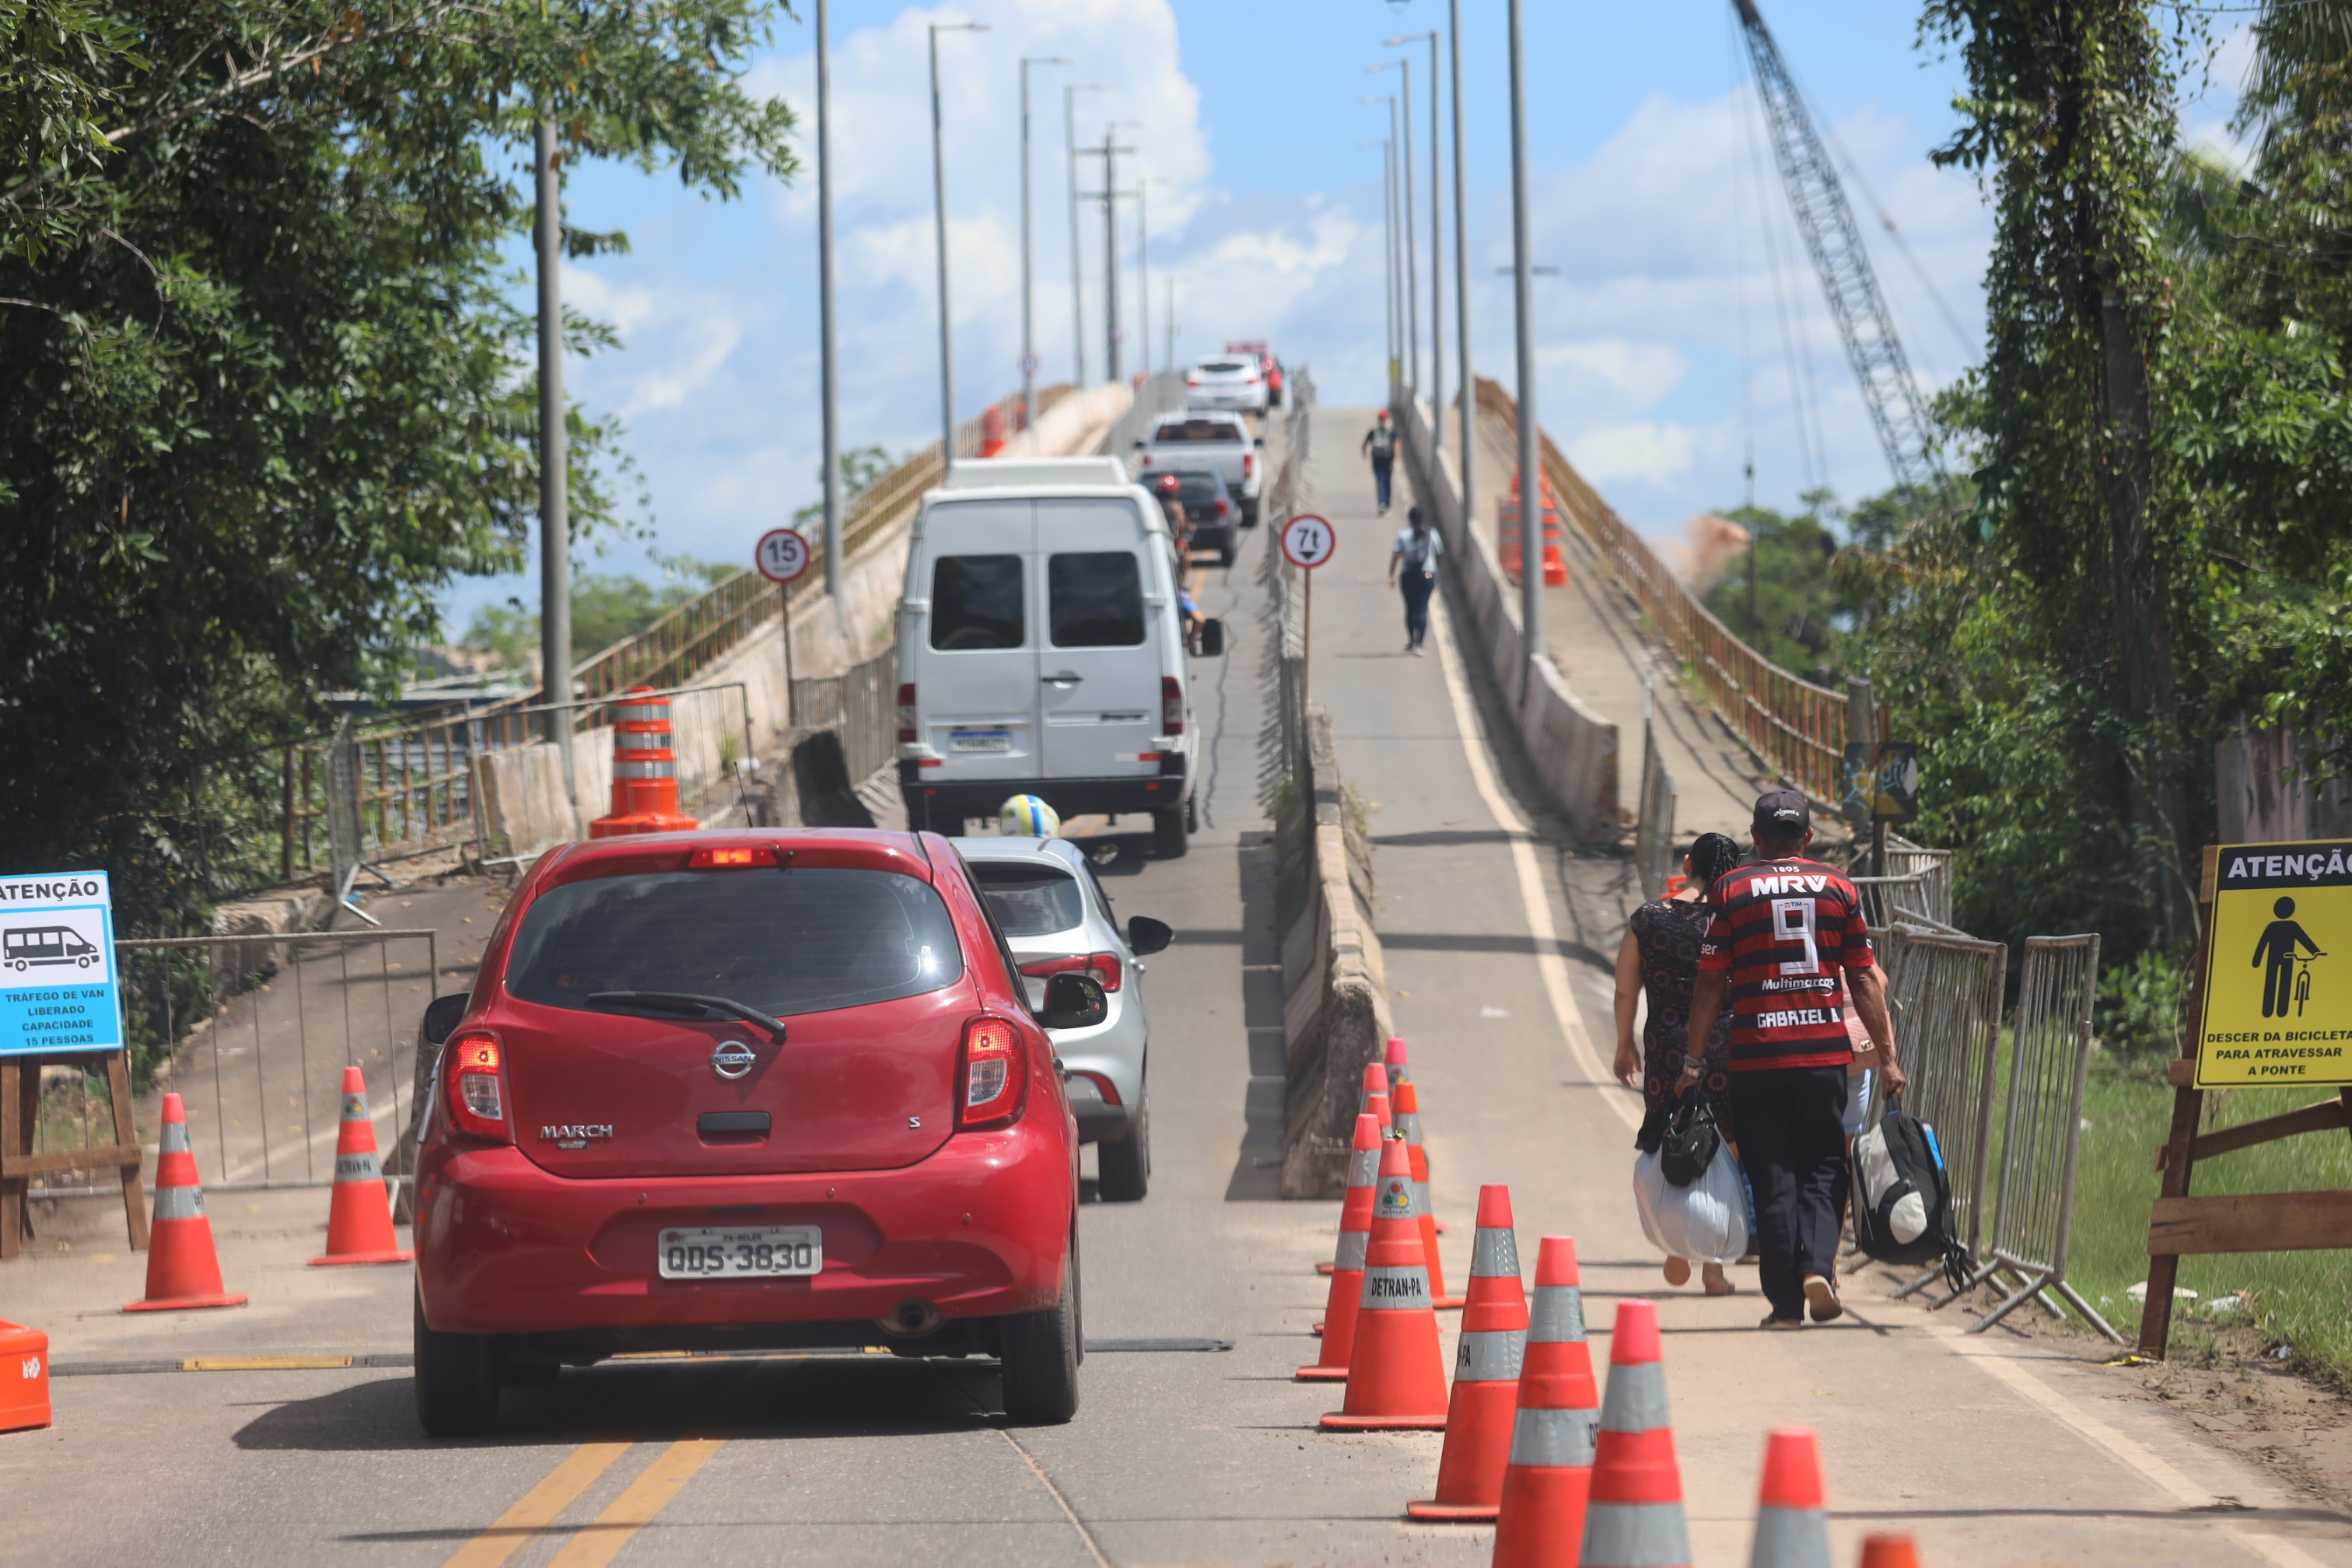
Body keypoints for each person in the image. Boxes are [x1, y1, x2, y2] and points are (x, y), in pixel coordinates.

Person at [1682, 789, 1906, 1329]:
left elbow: (1712, 982)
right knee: (1826, 1166)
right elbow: (1863, 978)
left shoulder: (1731, 890)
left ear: (1756, 838)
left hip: (1756, 1059)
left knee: (1772, 1173)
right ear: (1807, 837)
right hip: (1822, 1057)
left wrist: (1693, 1062)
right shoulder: (1839, 888)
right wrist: (1889, 1059)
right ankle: (1818, 1266)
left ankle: (1785, 1307)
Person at [1613, 831, 1745, 1296]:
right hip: (1728, 1045)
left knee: (1675, 1135)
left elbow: (1626, 987)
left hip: (1668, 1046)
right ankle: (1713, 1267)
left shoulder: (1649, 919)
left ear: (1688, 863)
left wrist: (1623, 1043)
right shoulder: (1734, 920)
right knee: (1727, 1147)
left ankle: (1676, 1248)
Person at [1386, 506, 1443, 655]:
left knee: (1411, 608)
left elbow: (1397, 554)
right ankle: (1421, 644)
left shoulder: (1404, 533)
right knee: (1423, 606)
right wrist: (1435, 572)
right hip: (1428, 574)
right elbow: (1439, 555)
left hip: (1409, 574)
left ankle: (1412, 641)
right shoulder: (1433, 533)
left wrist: (1391, 574)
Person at [1361, 409, 1398, 513]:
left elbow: (1397, 446)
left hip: (1385, 460)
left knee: (1385, 481)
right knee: (1382, 481)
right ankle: (1384, 503)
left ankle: (1385, 503)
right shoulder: (1389, 432)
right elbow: (1397, 446)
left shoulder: (1378, 432)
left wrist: (1365, 454)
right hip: (1380, 461)